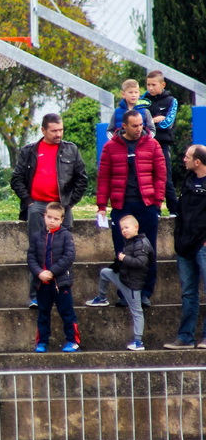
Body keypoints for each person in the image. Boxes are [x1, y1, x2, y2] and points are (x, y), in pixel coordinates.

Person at [10, 112, 88, 307]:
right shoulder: (30, 151)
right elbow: (16, 178)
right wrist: (28, 201)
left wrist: (69, 204)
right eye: (54, 131)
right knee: (37, 251)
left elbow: (82, 179)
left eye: (61, 130)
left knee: (64, 251)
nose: (58, 134)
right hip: (37, 206)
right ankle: (35, 296)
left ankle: (63, 293)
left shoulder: (71, 150)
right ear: (43, 130)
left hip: (62, 207)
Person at [96, 109, 166, 306]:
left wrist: (157, 202)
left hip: (146, 205)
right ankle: (124, 294)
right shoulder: (111, 147)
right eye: (134, 126)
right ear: (124, 126)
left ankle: (145, 294)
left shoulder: (153, 144)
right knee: (122, 250)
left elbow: (160, 175)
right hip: (122, 205)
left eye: (141, 125)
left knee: (148, 250)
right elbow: (104, 177)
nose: (139, 129)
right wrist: (102, 204)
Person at [86, 215, 153, 351]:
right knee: (105, 272)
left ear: (136, 228)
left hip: (133, 284)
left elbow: (141, 263)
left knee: (137, 312)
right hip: (124, 278)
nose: (124, 231)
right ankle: (102, 298)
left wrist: (124, 258)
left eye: (127, 227)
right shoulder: (131, 242)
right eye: (122, 228)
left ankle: (138, 342)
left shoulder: (142, 244)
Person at [163, 145, 206, 350]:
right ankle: (185, 337)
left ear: (198, 162)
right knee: (188, 293)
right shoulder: (188, 181)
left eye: (187, 157)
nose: (184, 160)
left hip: (203, 245)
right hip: (185, 245)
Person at [27, 202, 80, 353]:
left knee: (67, 313)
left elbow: (69, 257)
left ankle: (73, 341)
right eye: (49, 217)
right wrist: (39, 273)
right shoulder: (37, 236)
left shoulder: (66, 235)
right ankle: (42, 342)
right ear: (44, 216)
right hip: (42, 283)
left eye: (55, 218)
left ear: (62, 219)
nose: (51, 221)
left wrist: (51, 272)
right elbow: (31, 257)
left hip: (61, 283)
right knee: (43, 314)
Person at [144, 71, 179, 213]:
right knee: (149, 179)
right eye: (148, 85)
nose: (150, 88)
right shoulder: (142, 100)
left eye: (154, 84)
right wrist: (154, 120)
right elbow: (139, 122)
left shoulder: (171, 101)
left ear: (162, 84)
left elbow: (167, 124)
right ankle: (154, 210)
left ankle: (174, 211)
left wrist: (149, 122)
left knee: (165, 178)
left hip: (162, 145)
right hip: (146, 144)